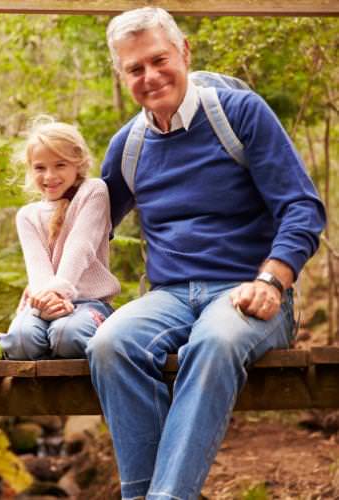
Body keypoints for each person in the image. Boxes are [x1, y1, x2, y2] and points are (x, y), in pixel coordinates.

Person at [85, 7, 326, 499]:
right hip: (170, 296)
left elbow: (300, 207)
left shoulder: (239, 114)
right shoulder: (128, 145)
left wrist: (272, 280)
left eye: (159, 59)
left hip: (248, 292)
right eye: (135, 69)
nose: (150, 77)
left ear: (185, 52)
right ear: (122, 74)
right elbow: (88, 230)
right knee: (110, 344)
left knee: (214, 341)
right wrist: (49, 287)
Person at [0, 118, 119, 360]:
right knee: (22, 341)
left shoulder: (94, 191)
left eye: (60, 165)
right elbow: (38, 270)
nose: (50, 175)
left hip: (89, 302)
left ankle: (60, 341)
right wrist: (46, 303)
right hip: (44, 301)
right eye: (40, 167)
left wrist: (58, 293)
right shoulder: (28, 215)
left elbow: (81, 246)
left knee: (68, 334)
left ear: (78, 164)